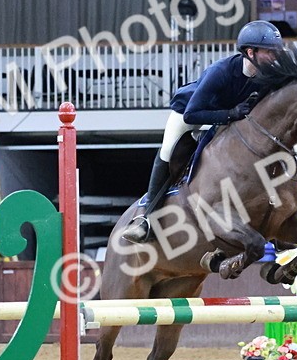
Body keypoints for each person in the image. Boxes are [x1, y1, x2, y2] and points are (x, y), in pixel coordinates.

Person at [121, 20, 284, 243]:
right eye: (269, 52)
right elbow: (192, 114)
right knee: (168, 151)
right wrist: (230, 114)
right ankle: (146, 218)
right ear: (250, 52)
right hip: (189, 113)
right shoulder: (220, 72)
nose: (275, 57)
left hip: (224, 117)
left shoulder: (266, 78)